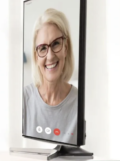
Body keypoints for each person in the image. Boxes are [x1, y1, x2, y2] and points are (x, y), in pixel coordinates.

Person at [22, 8, 78, 142]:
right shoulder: (24, 99)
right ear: (36, 57)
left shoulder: (81, 102)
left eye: (56, 44)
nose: (50, 56)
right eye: (42, 48)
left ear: (66, 47)